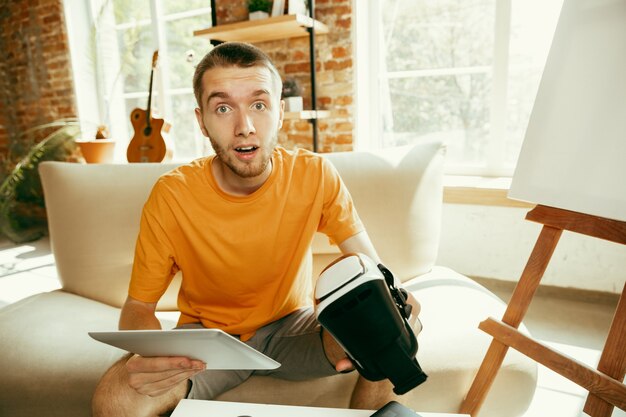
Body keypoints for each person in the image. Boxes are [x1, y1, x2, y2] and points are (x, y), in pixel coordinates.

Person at [92, 42, 422, 417]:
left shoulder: (315, 175)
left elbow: (371, 270)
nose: (244, 127)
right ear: (201, 121)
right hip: (209, 340)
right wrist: (150, 355)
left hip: (294, 327)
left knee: (397, 327)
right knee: (113, 398)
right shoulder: (171, 195)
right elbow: (137, 308)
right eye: (223, 108)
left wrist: (395, 307)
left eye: (259, 105)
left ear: (280, 112)